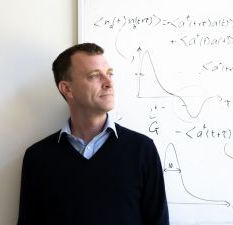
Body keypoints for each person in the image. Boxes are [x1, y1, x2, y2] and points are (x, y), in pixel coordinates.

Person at [17, 43, 169, 225]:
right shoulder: (38, 157)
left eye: (109, 73)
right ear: (66, 89)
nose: (109, 82)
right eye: (95, 75)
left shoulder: (142, 149)